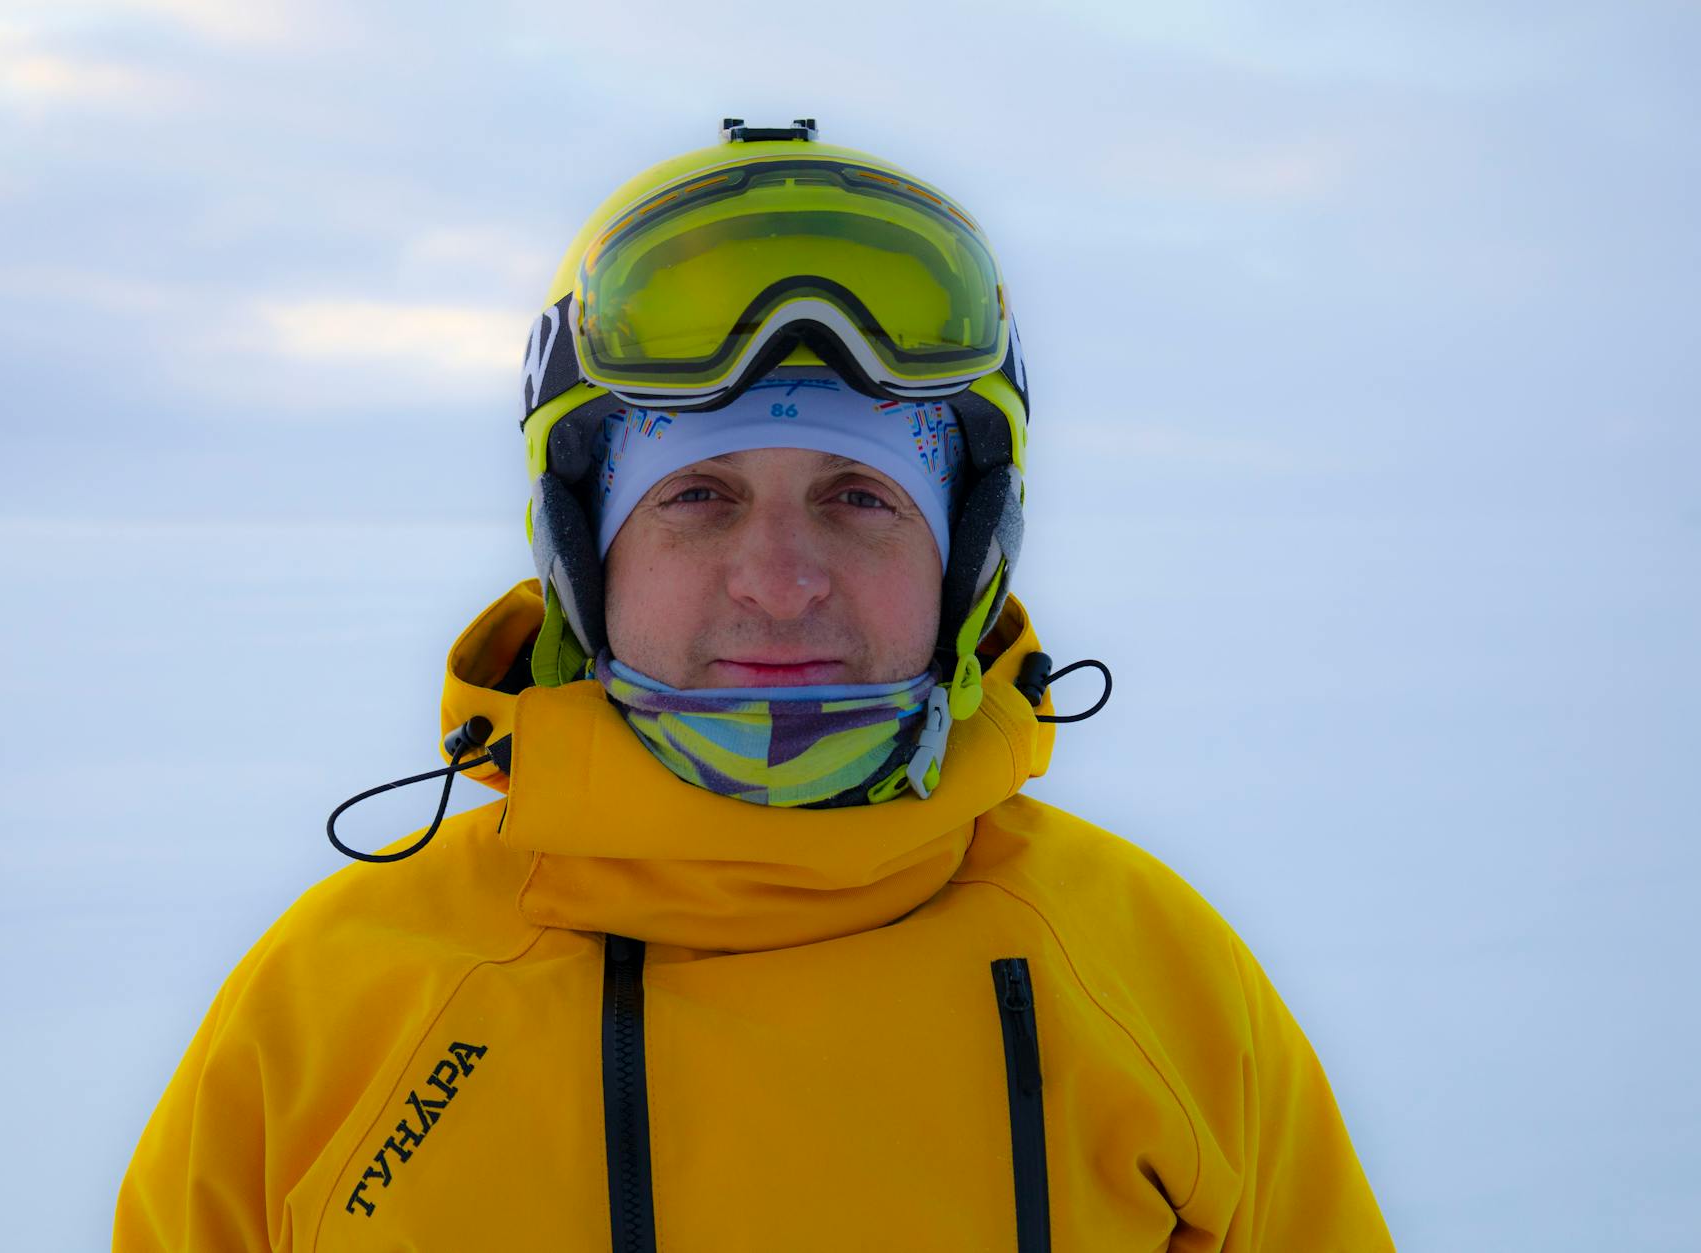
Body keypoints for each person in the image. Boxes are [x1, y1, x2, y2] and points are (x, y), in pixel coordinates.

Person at [114, 119, 1393, 1251]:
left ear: (963, 554)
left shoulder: (1153, 977)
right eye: (697, 497)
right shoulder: (328, 1014)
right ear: (583, 554)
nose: (779, 583)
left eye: (858, 497)